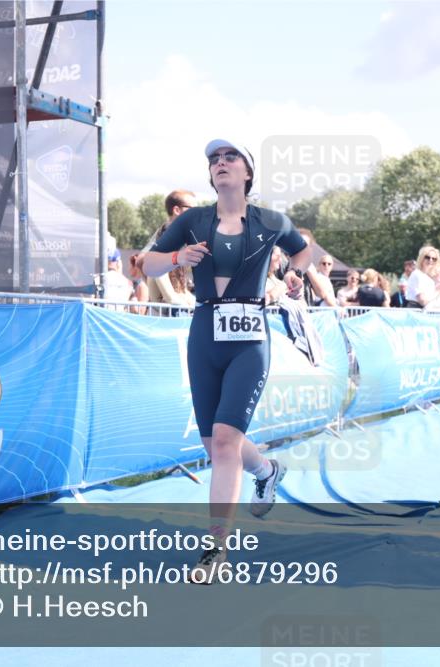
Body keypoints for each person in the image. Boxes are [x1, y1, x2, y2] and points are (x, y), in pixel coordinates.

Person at [141, 139, 310, 583]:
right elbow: (145, 266)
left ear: (247, 173)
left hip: (250, 337)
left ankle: (216, 549)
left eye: (229, 157)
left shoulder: (271, 220)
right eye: (213, 161)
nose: (219, 164)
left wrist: (293, 275)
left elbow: (305, 251)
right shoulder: (194, 221)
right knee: (215, 445)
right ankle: (268, 470)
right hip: (204, 333)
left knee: (225, 440)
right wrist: (177, 256)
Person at [405, 245, 440, 311]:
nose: (430, 260)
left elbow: (431, 301)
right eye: (427, 257)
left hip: (425, 313)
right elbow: (423, 301)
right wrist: (439, 288)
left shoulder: (428, 279)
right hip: (416, 312)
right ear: (421, 258)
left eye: (434, 259)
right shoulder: (417, 274)